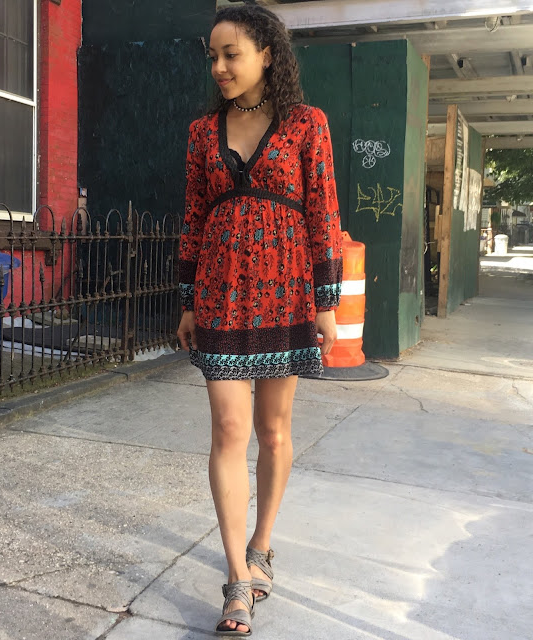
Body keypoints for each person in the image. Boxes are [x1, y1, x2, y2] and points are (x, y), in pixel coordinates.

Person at [177, 5, 343, 636]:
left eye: (231, 54)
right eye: (212, 57)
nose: (219, 67)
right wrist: (188, 300)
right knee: (228, 429)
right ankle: (236, 581)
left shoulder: (307, 124)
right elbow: (194, 217)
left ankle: (262, 545)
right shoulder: (202, 133)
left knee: (273, 432)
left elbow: (323, 212)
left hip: (286, 293)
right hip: (220, 294)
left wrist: (326, 303)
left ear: (267, 54)